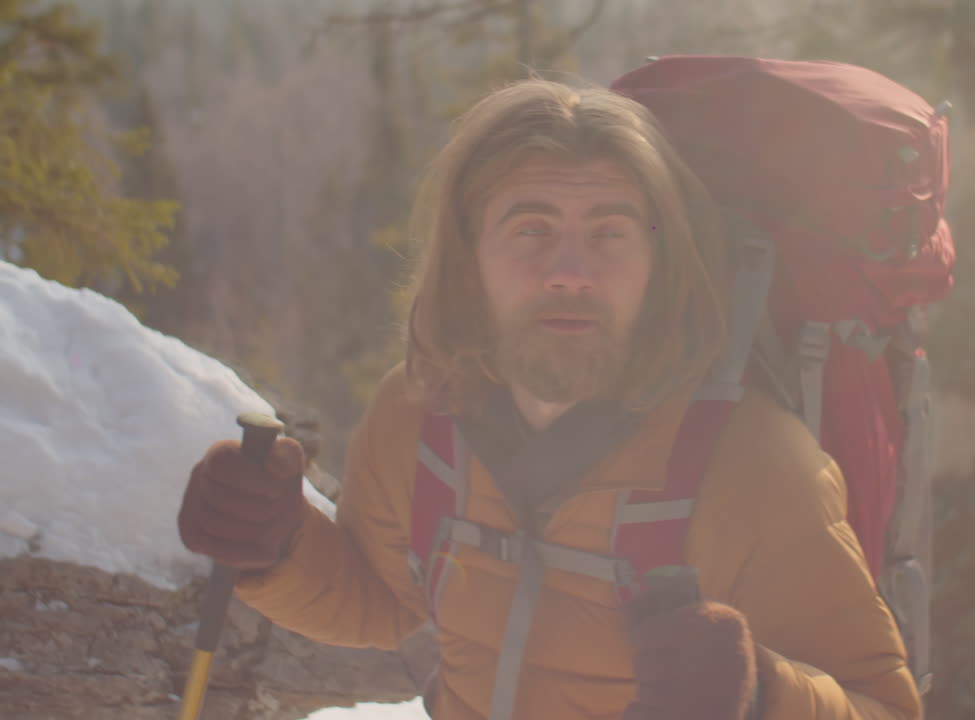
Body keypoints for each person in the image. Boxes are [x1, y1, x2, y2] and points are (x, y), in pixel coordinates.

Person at [178, 78, 922, 720]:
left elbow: (884, 706)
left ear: (658, 264)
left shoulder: (755, 466)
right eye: (531, 229)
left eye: (610, 233)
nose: (570, 271)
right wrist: (277, 544)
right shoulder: (419, 416)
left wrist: (762, 696)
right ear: (470, 254)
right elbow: (387, 599)